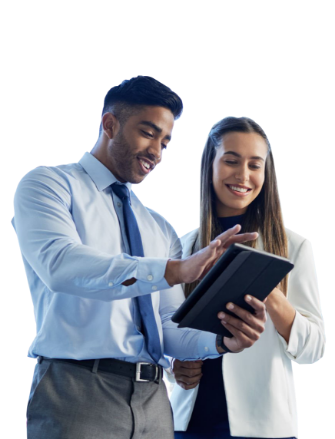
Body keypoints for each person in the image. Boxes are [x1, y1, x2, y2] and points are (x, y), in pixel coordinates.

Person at [13, 78, 268, 439]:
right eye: (147, 133)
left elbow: (167, 326)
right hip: (78, 390)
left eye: (165, 142)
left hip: (154, 400)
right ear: (110, 124)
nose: (157, 152)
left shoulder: (160, 228)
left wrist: (222, 341)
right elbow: (61, 266)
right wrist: (173, 271)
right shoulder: (49, 185)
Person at [167, 116, 326, 439]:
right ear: (209, 165)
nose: (243, 175)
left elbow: (314, 349)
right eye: (231, 161)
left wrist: (272, 294)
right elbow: (166, 334)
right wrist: (175, 367)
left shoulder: (293, 247)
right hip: (188, 424)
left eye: (255, 165)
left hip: (263, 427)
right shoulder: (182, 249)